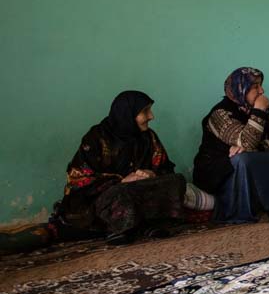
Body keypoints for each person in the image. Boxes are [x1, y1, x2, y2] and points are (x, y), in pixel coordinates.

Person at [53, 90, 209, 244]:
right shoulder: (97, 138)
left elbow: (165, 168)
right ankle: (120, 228)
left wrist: (152, 174)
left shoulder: (148, 137)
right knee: (122, 192)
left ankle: (147, 224)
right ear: (127, 114)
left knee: (177, 180)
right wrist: (121, 180)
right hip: (104, 197)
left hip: (138, 191)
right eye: (145, 112)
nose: (151, 116)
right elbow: (78, 179)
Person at [193, 67, 269, 223]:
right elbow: (247, 142)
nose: (262, 90)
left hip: (246, 158)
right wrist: (259, 110)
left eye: (261, 85)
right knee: (244, 160)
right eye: (255, 87)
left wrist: (258, 149)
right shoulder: (220, 114)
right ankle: (241, 213)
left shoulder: (262, 108)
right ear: (240, 89)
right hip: (215, 169)